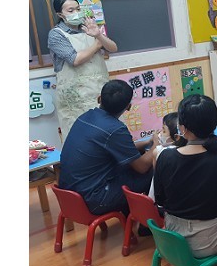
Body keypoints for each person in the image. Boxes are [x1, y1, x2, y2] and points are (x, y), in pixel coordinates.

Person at [154, 95, 217, 258]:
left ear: (182, 128)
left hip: (172, 236)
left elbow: (160, 199)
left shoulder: (165, 156)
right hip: (206, 241)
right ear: (214, 124)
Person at [59, 79, 157, 215]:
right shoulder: (115, 129)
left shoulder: (85, 117)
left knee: (130, 164)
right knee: (156, 169)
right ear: (128, 107)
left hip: (69, 195)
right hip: (93, 199)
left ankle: (133, 216)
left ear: (99, 98)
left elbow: (122, 149)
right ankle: (149, 219)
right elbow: (142, 167)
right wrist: (157, 145)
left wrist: (146, 143)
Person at [48, 0, 118, 142]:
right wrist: (97, 45)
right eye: (71, 10)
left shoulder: (89, 28)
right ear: (60, 15)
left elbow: (113, 48)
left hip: (100, 91)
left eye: (78, 9)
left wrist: (99, 35)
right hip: (76, 98)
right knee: (81, 139)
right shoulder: (56, 35)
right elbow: (75, 59)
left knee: (108, 134)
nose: (76, 13)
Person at [148, 112, 187, 200]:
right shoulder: (189, 150)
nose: (160, 133)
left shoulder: (159, 151)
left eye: (164, 130)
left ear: (176, 137)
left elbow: (157, 174)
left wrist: (156, 143)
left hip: (160, 199)